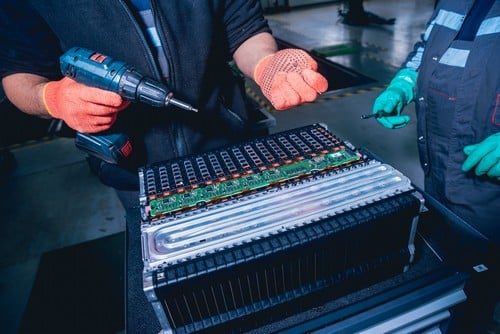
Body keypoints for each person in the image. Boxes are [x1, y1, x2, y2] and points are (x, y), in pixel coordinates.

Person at [0, 1, 328, 332]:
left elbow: (244, 28)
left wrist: (266, 64)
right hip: (137, 171)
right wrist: (50, 97)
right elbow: (19, 74)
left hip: (227, 149)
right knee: (171, 297)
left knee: (256, 278)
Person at [372, 0, 499, 331]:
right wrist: (404, 82)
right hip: (439, 168)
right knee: (456, 271)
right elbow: (429, 48)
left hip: (491, 189)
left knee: (485, 281)